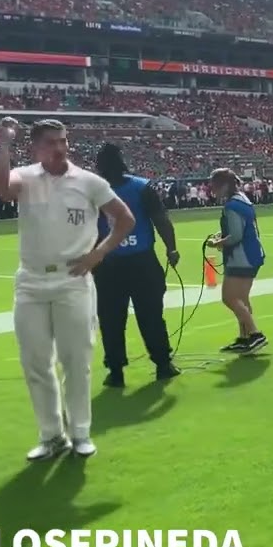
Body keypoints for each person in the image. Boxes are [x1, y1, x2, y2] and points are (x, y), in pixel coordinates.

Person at [0, 117, 135, 461]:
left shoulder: (89, 182)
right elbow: (0, 187)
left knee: (76, 360)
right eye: (51, 143)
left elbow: (125, 218)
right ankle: (51, 434)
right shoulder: (25, 177)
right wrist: (2, 144)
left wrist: (98, 253)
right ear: (36, 148)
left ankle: (81, 432)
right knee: (36, 362)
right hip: (31, 281)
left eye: (63, 141)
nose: (59, 148)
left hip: (72, 281)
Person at [92, 143, 182, 387]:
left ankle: (116, 371)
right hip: (142, 261)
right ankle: (163, 364)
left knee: (111, 320)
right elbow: (161, 220)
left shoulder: (92, 191)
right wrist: (171, 248)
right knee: (151, 315)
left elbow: (85, 230)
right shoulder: (141, 187)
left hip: (108, 264)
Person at [207, 168, 267, 354]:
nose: (213, 190)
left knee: (230, 298)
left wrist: (217, 242)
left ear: (224, 185)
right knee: (242, 299)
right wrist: (223, 235)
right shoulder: (243, 200)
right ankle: (245, 338)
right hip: (252, 255)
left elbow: (236, 236)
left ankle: (255, 334)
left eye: (215, 186)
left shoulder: (232, 205)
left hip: (241, 258)